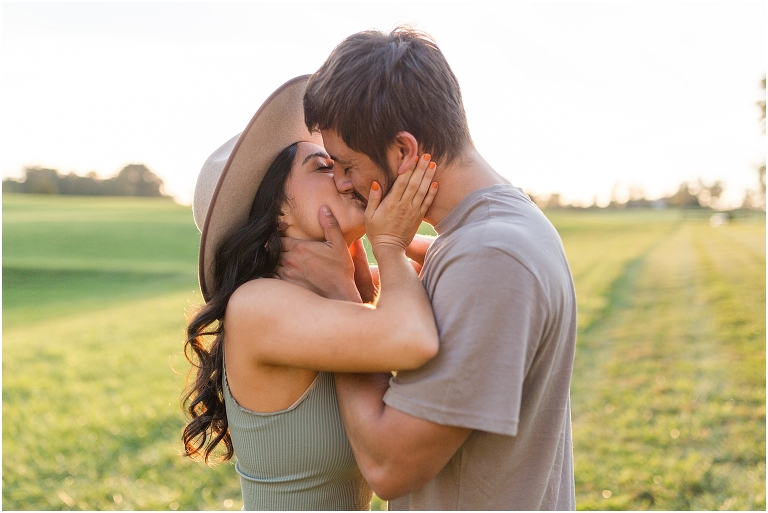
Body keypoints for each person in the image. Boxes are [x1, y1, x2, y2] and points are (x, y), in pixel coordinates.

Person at [279, 27, 577, 509]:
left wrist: (339, 297)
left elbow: (388, 466)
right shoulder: (493, 230)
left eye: (346, 164)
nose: (341, 182)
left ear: (404, 152)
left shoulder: (490, 257)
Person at [181, 75, 441, 510]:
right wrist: (389, 245)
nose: (345, 178)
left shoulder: (333, 287)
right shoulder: (259, 306)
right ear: (276, 214)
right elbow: (412, 337)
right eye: (323, 167)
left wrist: (387, 249)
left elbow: (466, 266)